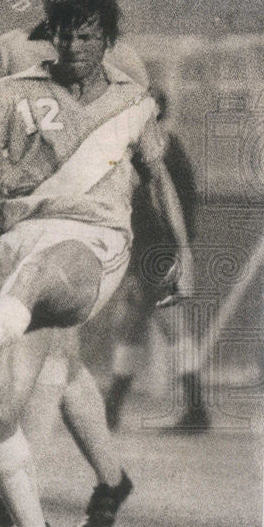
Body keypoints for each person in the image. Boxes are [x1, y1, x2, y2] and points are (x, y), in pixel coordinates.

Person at [0, 0, 193, 527]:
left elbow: (158, 178)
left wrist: (183, 253)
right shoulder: (14, 91)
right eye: (64, 33)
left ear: (107, 39)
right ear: (50, 32)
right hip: (17, 249)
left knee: (47, 268)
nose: (74, 45)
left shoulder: (132, 102)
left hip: (93, 248)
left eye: (88, 35)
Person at [0, 0, 151, 527]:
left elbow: (144, 155)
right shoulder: (11, 52)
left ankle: (23, 488)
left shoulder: (126, 65)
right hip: (23, 224)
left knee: (46, 357)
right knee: (57, 364)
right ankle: (111, 477)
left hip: (85, 230)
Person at [103, 87, 205, 432]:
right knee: (130, 322)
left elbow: (178, 201)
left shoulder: (162, 146)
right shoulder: (138, 147)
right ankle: (111, 408)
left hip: (158, 249)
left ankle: (195, 408)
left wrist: (182, 250)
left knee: (169, 323)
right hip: (143, 247)